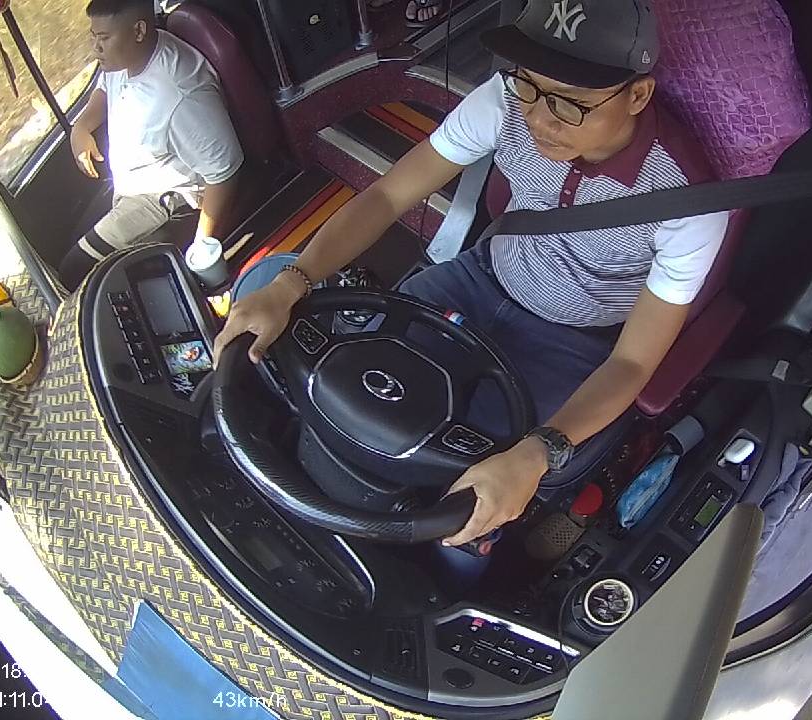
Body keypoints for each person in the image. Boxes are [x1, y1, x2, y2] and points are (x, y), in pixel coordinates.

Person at [213, 0, 729, 549]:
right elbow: (389, 196)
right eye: (530, 85)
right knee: (354, 381)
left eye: (571, 103)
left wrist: (538, 453)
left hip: (575, 341)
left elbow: (632, 362)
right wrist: (291, 282)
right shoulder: (504, 102)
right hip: (478, 278)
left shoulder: (689, 204)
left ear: (638, 95)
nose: (540, 120)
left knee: (473, 477)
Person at [59, 0, 243, 288]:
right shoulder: (124, 57)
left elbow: (224, 171)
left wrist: (202, 245)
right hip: (130, 182)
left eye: (103, 38)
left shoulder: (180, 94)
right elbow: (105, 86)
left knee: (73, 271)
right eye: (93, 36)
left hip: (164, 199)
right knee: (70, 241)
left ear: (139, 31)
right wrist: (81, 127)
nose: (95, 48)